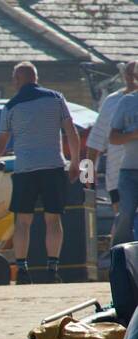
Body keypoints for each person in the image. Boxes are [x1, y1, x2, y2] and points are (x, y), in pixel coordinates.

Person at [0, 62, 82, 284]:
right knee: (53, 219)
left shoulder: (11, 106)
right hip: (53, 166)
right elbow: (71, 131)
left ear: (18, 80)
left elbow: (0, 145)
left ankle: (22, 270)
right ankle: (52, 269)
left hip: (25, 170)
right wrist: (75, 162)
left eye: (14, 79)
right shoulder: (56, 98)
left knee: (22, 222)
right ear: (36, 77)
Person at [86, 61, 137, 247]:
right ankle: (121, 263)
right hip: (118, 176)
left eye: (135, 74)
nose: (133, 78)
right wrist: (87, 181)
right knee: (122, 220)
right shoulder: (113, 102)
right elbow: (94, 144)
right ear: (124, 76)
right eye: (129, 74)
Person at [109, 79, 138, 248]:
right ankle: (120, 258)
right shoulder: (126, 102)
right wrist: (133, 135)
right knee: (125, 215)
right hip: (127, 171)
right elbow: (110, 138)